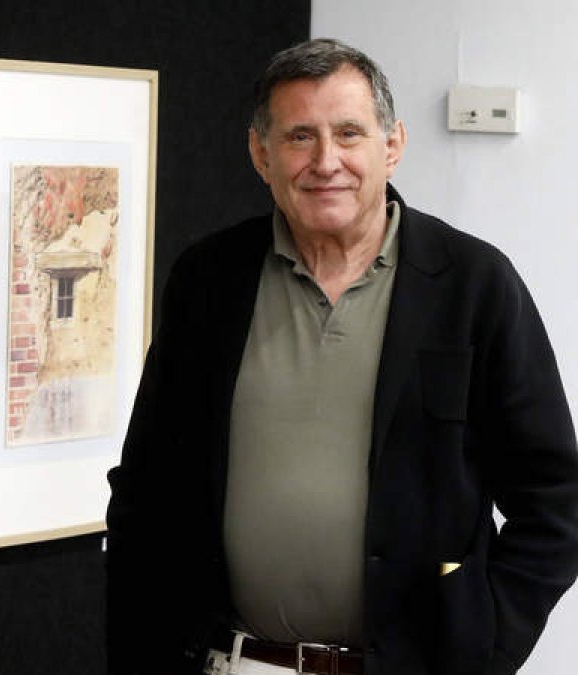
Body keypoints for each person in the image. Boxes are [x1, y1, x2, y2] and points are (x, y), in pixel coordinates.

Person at [105, 37, 578, 675]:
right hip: (235, 663)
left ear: (393, 145)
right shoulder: (208, 282)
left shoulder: (473, 285)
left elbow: (556, 500)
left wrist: (484, 641)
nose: (326, 161)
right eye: (300, 136)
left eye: (349, 133)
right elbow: (147, 488)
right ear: (260, 153)